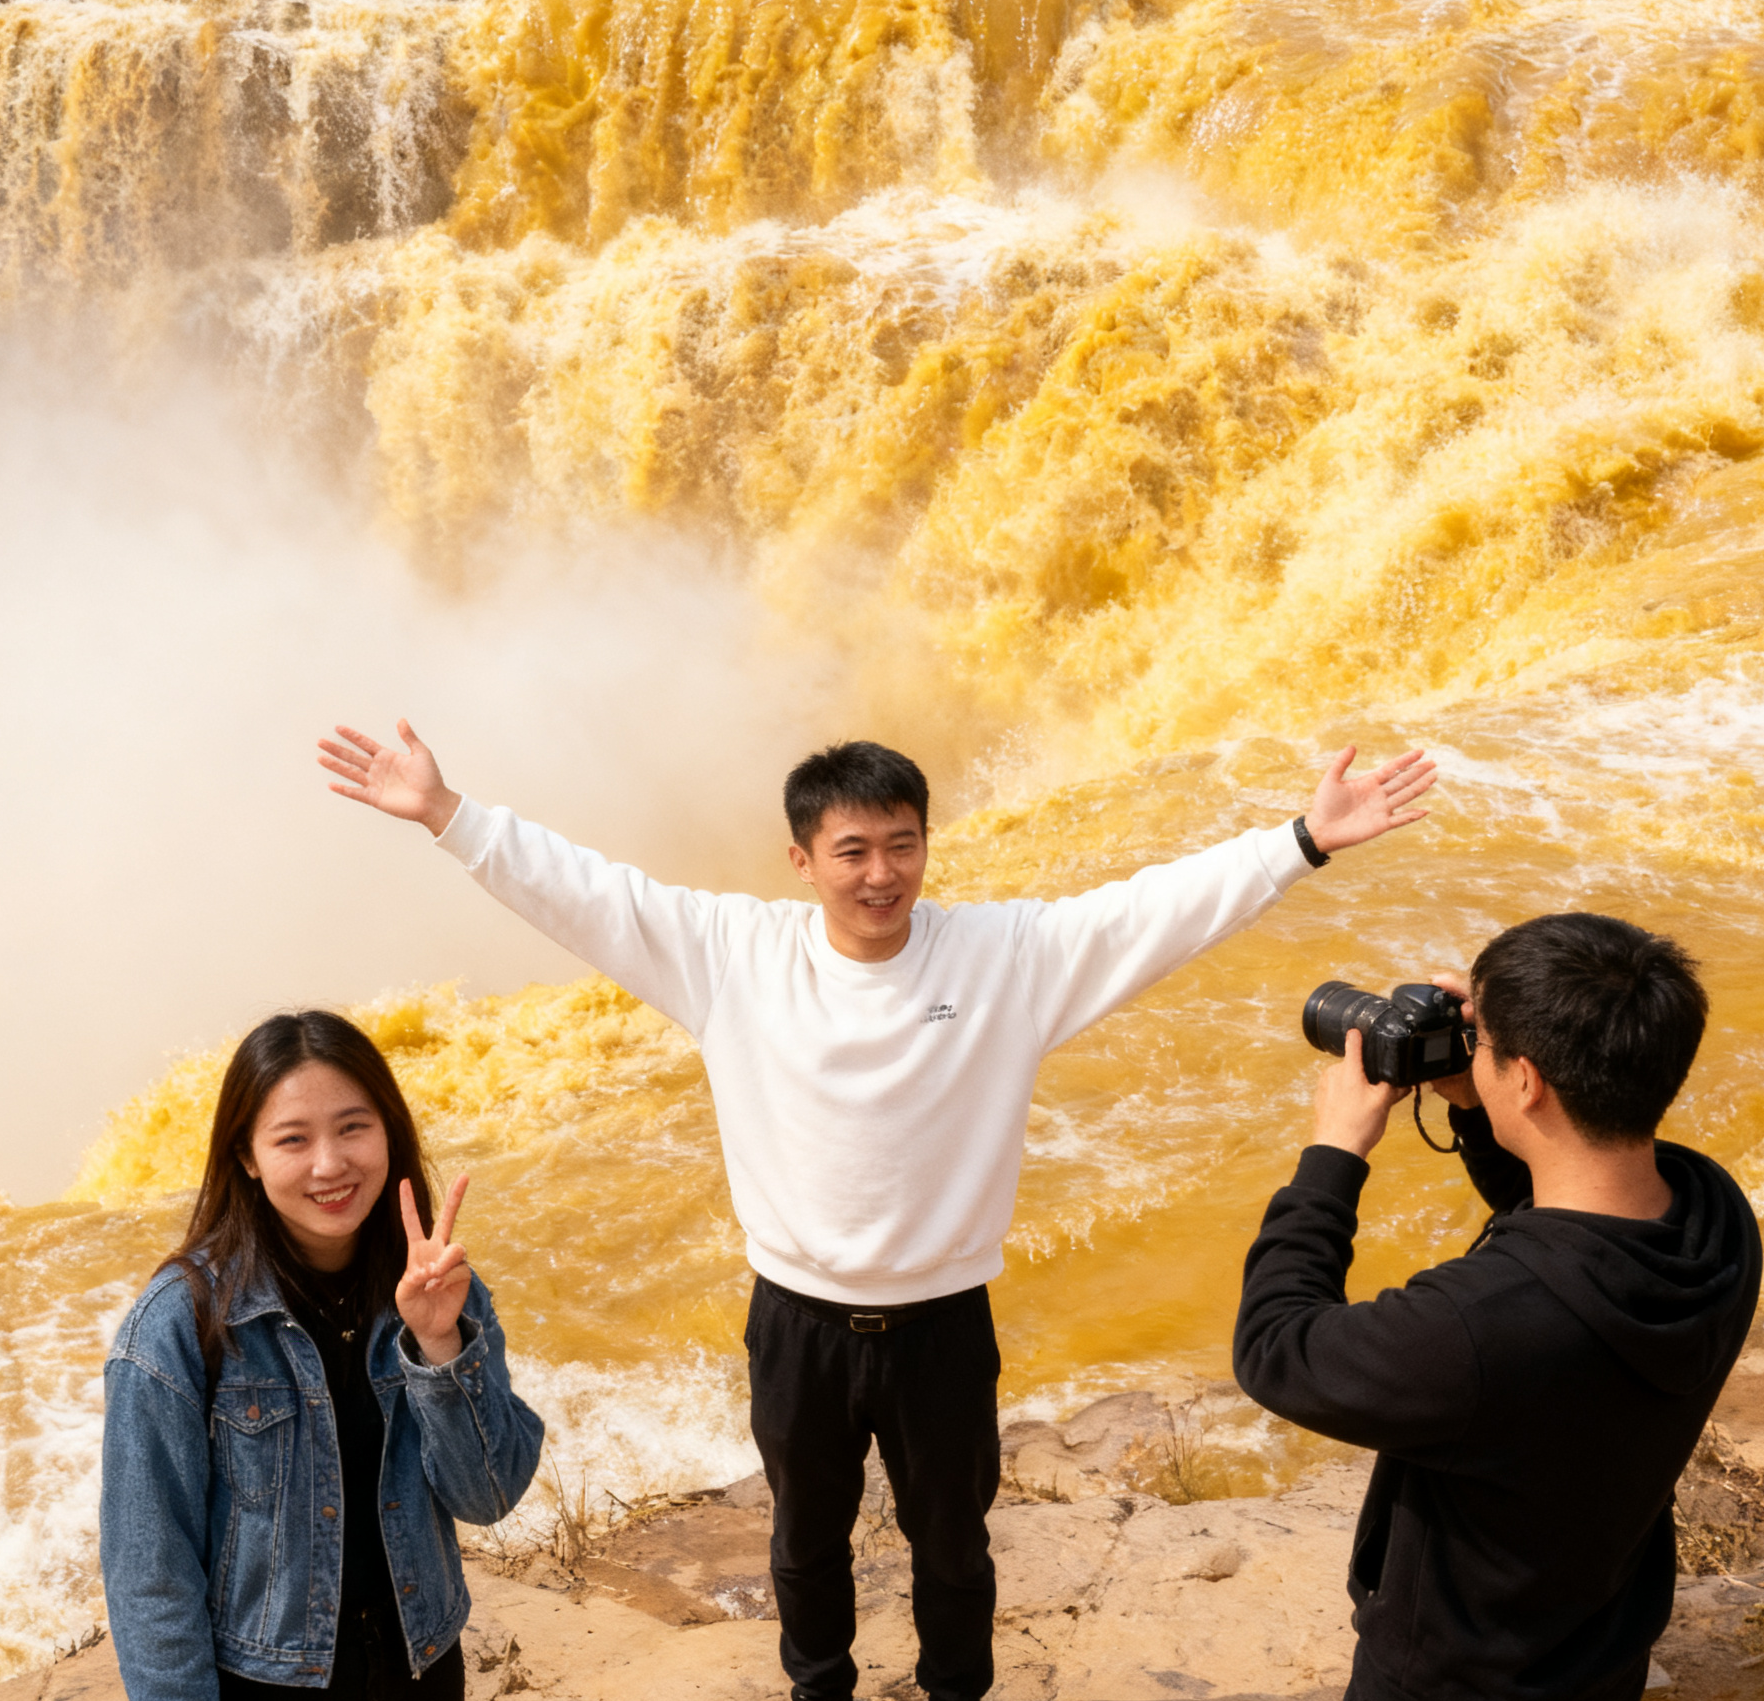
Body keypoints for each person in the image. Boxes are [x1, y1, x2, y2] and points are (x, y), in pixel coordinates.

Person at [317, 719, 1437, 1701]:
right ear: (802, 860)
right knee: (805, 1545)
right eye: (852, 849)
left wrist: (1300, 840)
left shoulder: (1005, 958)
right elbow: (585, 891)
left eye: (903, 844)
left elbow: (1153, 911)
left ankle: (957, 1693)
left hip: (945, 1323)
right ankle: (821, 1690)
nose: (881, 873)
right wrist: (447, 815)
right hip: (796, 1320)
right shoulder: (730, 956)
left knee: (954, 1545)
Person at [1233, 913, 1762, 1701]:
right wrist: (1479, 1104)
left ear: (1528, 1081)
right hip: (1598, 1645)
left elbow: (1277, 1348)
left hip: (1452, 1678)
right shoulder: (1714, 1219)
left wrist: (1332, 1155)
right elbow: (1574, 1212)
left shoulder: (1476, 1328)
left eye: (1483, 1043)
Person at [101, 1010, 544, 1701]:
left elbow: (487, 1498)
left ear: (389, 1131)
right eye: (292, 1139)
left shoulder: (439, 1288)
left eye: (352, 1127)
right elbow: (149, 1572)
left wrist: (438, 1346)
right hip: (263, 1682)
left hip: (420, 1669)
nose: (330, 1165)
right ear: (246, 1156)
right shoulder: (179, 1325)